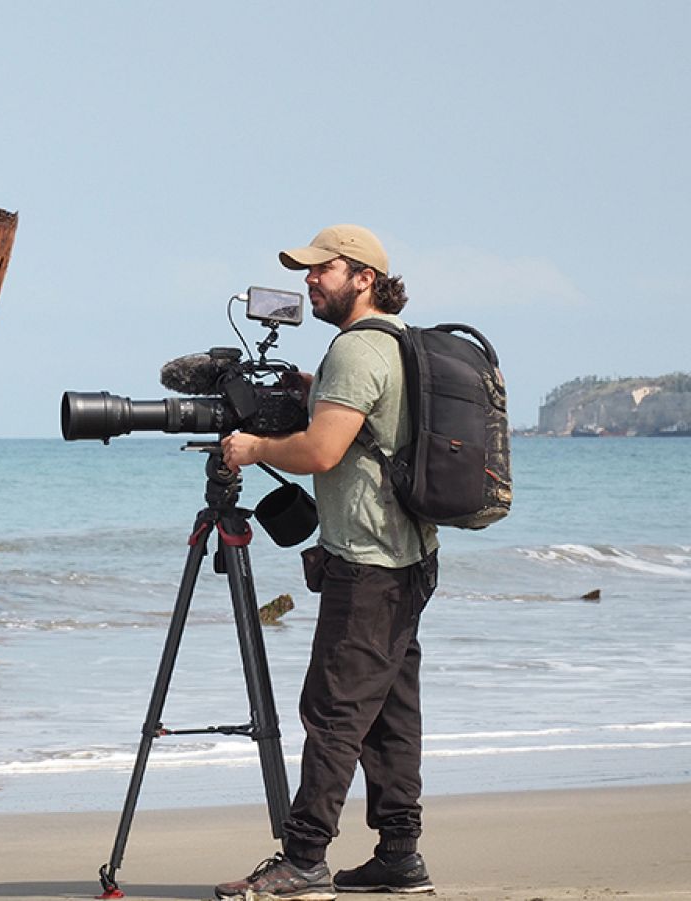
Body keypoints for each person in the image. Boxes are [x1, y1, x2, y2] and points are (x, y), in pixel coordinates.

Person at [214, 224, 440, 899]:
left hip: (368, 565)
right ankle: (400, 854)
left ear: (364, 276)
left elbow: (319, 453)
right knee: (391, 711)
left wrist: (250, 448)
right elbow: (371, 424)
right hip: (411, 557)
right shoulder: (403, 343)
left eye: (325, 269)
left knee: (334, 710)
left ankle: (305, 858)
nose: (311, 280)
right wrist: (316, 389)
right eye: (309, 271)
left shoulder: (354, 350)